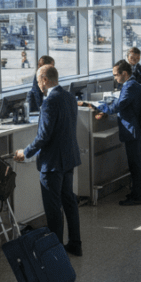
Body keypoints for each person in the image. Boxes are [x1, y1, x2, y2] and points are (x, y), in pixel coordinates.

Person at [15, 65, 82, 255]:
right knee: (69, 202)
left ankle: (56, 250)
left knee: (53, 209)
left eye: (38, 81)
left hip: (52, 163)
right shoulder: (69, 97)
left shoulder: (49, 102)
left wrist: (25, 152)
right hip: (69, 157)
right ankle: (75, 243)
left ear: (44, 79)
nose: (38, 85)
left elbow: (43, 136)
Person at [81, 60, 141, 206]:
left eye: (116, 75)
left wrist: (100, 107)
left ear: (124, 73)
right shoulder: (133, 84)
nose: (115, 78)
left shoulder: (130, 86)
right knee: (139, 161)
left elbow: (119, 105)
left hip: (132, 129)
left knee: (135, 163)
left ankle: (136, 196)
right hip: (137, 128)